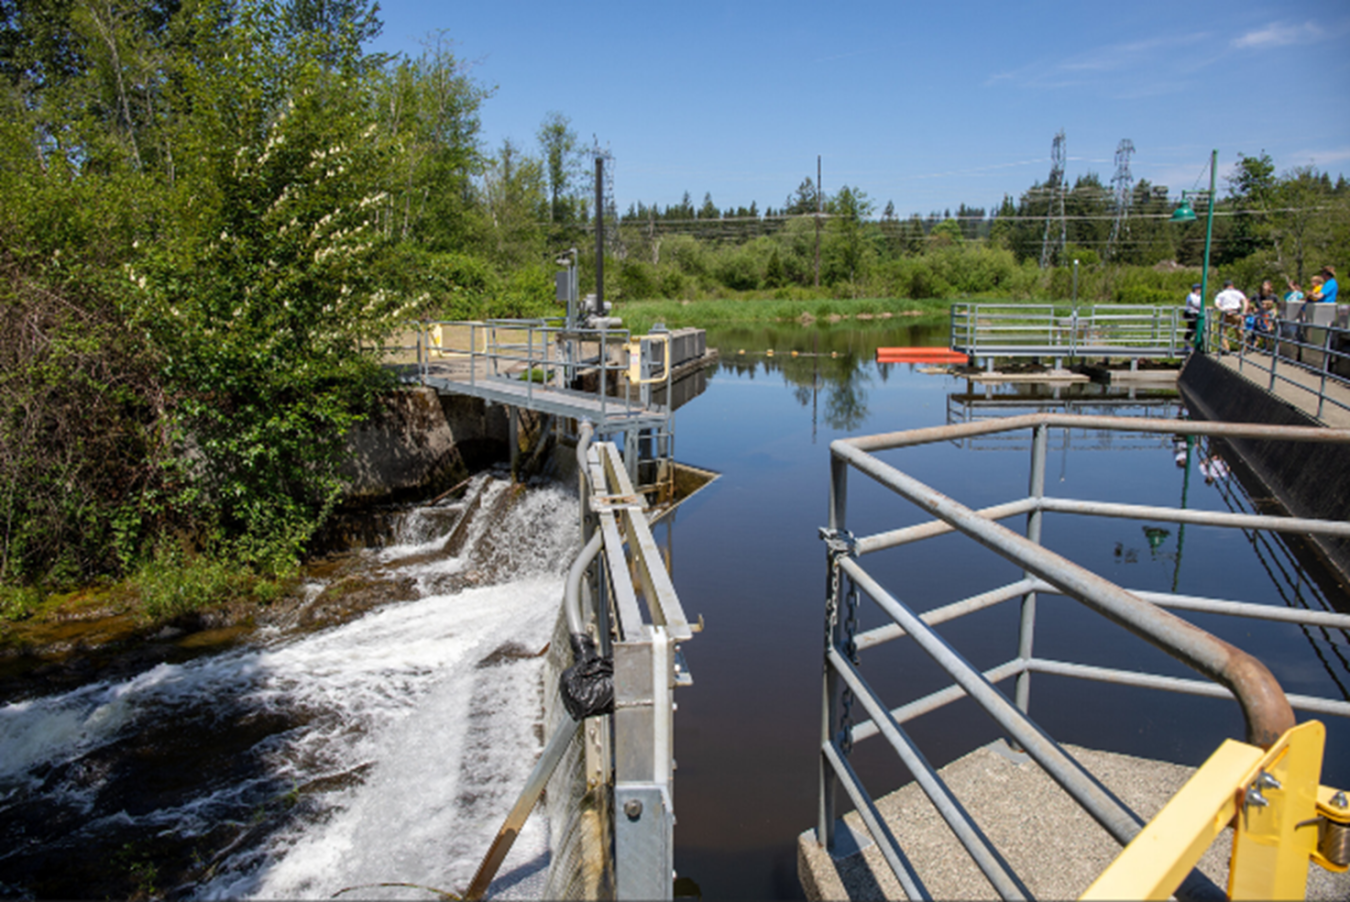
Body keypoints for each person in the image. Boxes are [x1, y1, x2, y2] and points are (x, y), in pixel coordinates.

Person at [1212, 279, 1248, 353]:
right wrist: (1244, 311)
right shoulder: (1238, 293)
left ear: (1224, 286)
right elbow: (1245, 301)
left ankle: (1225, 348)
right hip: (1236, 312)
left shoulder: (1221, 294)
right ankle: (1243, 348)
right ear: (1232, 285)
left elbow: (1216, 304)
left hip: (1225, 313)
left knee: (1222, 331)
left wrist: (1222, 309)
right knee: (1239, 331)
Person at [1182, 282, 1202, 349]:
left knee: (1194, 328)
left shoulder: (1199, 296)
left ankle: (1194, 342)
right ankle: (1188, 343)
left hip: (1196, 313)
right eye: (1198, 288)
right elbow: (1192, 304)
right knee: (1193, 327)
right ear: (1195, 289)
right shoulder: (1191, 296)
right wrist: (1202, 308)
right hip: (1190, 313)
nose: (1200, 290)